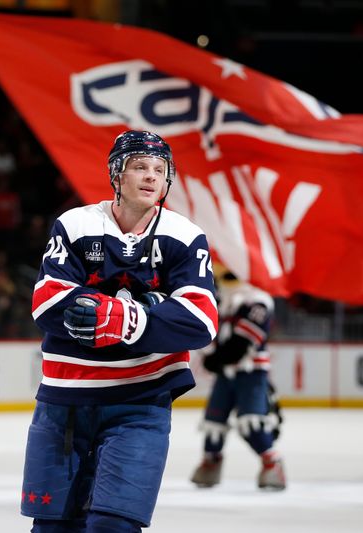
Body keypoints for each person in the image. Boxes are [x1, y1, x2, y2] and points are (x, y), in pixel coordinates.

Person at [23, 130, 218, 532]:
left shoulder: (184, 236)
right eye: (139, 166)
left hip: (140, 402)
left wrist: (122, 319)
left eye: (160, 170)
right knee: (52, 528)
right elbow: (47, 303)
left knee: (114, 525)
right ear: (117, 173)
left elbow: (200, 321)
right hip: (65, 403)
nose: (151, 177)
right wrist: (150, 309)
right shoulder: (75, 225)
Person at [190, 266, 286, 491]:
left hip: (251, 373)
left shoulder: (257, 303)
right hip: (226, 374)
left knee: (251, 422)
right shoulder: (223, 303)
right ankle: (211, 463)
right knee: (214, 422)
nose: (224, 280)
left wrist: (215, 358)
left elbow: (241, 345)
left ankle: (273, 462)